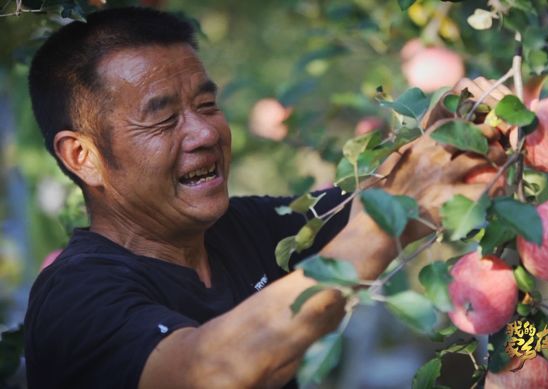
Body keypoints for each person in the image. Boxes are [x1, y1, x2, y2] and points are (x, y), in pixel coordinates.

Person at [24, 6, 502, 389]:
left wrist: (447, 144)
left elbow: (367, 201)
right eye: (163, 118)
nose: (204, 132)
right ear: (82, 156)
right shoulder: (76, 297)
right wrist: (374, 232)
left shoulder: (244, 229)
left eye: (207, 105)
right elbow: (208, 372)